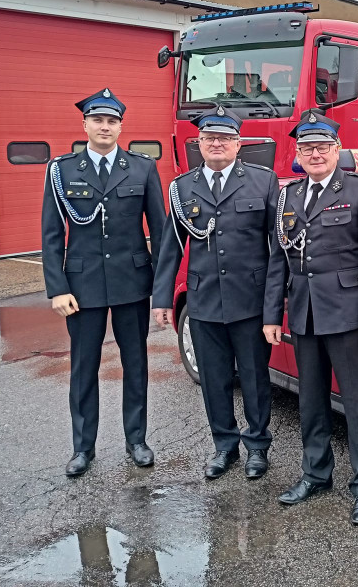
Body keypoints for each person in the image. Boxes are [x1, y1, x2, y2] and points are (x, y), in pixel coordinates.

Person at [266, 109, 358, 526]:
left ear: (337, 150)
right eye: (306, 148)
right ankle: (316, 474)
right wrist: (273, 316)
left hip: (350, 317)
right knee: (311, 403)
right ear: (297, 154)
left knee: (357, 405)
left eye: (322, 147)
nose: (314, 154)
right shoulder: (289, 196)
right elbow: (278, 260)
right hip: (304, 315)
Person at [151, 106, 285, 480]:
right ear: (199, 143)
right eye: (210, 138)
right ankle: (224, 446)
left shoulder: (263, 182)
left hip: (250, 301)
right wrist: (162, 298)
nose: (217, 144)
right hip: (204, 301)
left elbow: (277, 247)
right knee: (214, 378)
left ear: (238, 144)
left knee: (256, 378)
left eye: (225, 138)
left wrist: (275, 303)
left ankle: (258, 447)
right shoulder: (182, 188)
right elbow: (171, 247)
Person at [41, 88, 165, 477]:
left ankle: (137, 440)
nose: (105, 127)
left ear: (120, 126)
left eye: (112, 121)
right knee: (83, 367)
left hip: (132, 281)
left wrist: (160, 290)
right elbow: (50, 234)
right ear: (85, 125)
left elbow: (160, 233)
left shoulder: (143, 168)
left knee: (136, 364)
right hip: (82, 286)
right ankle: (83, 448)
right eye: (98, 120)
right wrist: (57, 287)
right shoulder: (62, 170)